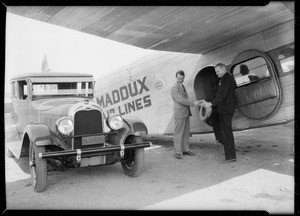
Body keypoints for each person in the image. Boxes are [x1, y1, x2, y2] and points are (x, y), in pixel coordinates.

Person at [200, 63, 237, 163]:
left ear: (223, 69)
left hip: (226, 109)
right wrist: (205, 100)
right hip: (223, 108)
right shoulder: (223, 79)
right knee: (213, 117)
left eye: (217, 71)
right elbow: (216, 94)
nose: (216, 74)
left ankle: (231, 156)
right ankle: (220, 138)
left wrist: (210, 104)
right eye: (216, 72)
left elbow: (221, 95)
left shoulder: (227, 79)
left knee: (227, 132)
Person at [170, 70, 200, 159]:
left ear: (184, 78)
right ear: (176, 77)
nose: (180, 80)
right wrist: (193, 103)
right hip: (180, 113)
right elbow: (181, 100)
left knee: (186, 133)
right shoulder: (174, 88)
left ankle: (185, 150)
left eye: (182, 78)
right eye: (179, 78)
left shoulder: (182, 86)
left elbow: (184, 99)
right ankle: (178, 152)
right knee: (178, 133)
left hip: (185, 112)